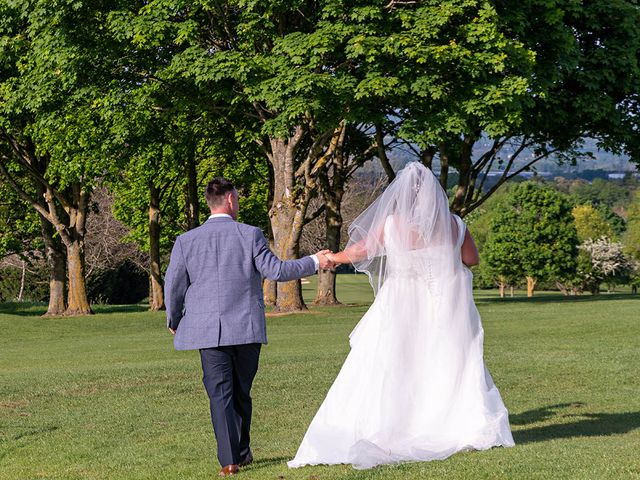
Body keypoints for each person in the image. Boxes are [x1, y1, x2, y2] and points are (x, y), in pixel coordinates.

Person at [288, 162, 515, 470]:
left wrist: (329, 258)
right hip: (443, 310)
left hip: (401, 307)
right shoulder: (454, 224)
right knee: (443, 364)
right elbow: (471, 259)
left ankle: (390, 426)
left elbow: (361, 252)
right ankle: (450, 426)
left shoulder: (393, 224)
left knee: (392, 364)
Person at [164, 177, 334, 477]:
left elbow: (174, 286)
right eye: (237, 198)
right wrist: (314, 261)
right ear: (229, 199)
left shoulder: (186, 241)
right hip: (245, 327)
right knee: (241, 391)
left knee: (221, 393)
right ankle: (235, 456)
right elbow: (278, 271)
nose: (238, 203)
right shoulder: (250, 235)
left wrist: (174, 319)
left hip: (207, 331)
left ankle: (235, 456)